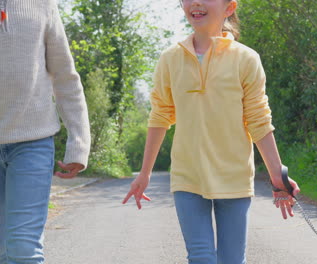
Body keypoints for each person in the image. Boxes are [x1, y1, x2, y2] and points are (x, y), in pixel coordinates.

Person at [123, 0, 300, 263]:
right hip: (187, 176)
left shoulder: (246, 59)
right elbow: (160, 116)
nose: (196, 2)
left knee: (231, 259)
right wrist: (144, 173)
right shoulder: (170, 59)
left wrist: (277, 174)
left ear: (229, 7)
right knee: (201, 257)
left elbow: (259, 119)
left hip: (234, 177)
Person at [0, 0, 90, 263]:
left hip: (33, 144)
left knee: (23, 248)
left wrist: (78, 144)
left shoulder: (43, 4)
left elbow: (65, 76)